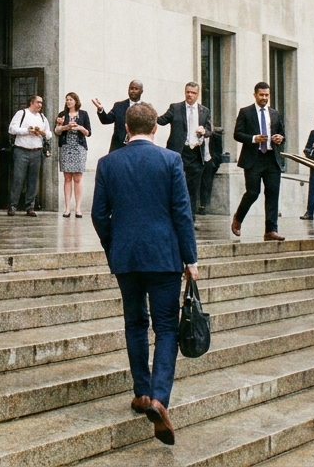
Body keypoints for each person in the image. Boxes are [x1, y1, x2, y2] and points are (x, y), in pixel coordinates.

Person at [90, 101, 198, 446]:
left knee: (135, 322)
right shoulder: (170, 160)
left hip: (126, 257)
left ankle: (140, 391)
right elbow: (182, 213)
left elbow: (98, 214)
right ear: (156, 129)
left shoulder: (108, 163)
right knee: (166, 328)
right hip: (164, 257)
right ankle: (159, 397)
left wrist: (114, 245)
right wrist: (190, 258)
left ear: (125, 129)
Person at [231, 82, 286, 241]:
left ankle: (271, 230)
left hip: (271, 158)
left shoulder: (275, 114)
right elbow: (237, 134)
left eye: (267, 95)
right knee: (253, 192)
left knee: (273, 193)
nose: (264, 98)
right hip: (253, 159)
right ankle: (238, 218)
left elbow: (282, 134)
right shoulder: (245, 112)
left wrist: (279, 138)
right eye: (261, 95)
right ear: (255, 95)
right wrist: (254, 138)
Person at [158, 83, 213, 216]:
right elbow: (161, 120)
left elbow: (211, 130)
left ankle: (190, 218)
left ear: (197, 94)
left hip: (196, 154)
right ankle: (173, 216)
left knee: (193, 189)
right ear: (185, 92)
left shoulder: (204, 111)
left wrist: (204, 131)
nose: (190, 95)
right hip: (179, 153)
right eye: (188, 92)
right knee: (176, 186)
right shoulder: (175, 108)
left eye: (193, 93)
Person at [7, 94, 50, 217]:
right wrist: (27, 130)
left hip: (36, 151)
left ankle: (30, 206)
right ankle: (12, 205)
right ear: (31, 102)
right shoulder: (22, 113)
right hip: (22, 150)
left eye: (41, 103)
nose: (40, 105)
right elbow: (11, 129)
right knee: (18, 178)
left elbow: (49, 134)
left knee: (33, 180)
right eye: (38, 102)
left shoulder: (42, 117)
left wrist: (42, 133)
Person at [55, 92, 92, 218]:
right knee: (67, 178)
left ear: (76, 101)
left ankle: (78, 208)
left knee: (77, 178)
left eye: (71, 99)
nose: (68, 102)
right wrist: (65, 126)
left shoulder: (84, 114)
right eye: (67, 100)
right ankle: (67, 208)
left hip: (79, 147)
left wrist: (80, 127)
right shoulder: (62, 115)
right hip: (66, 147)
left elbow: (88, 132)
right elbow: (57, 131)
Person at [93, 80, 144, 153]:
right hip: (118, 147)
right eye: (131, 88)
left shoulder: (146, 108)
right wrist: (100, 109)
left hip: (138, 147)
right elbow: (106, 120)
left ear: (141, 91)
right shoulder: (119, 106)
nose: (133, 91)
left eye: (136, 89)